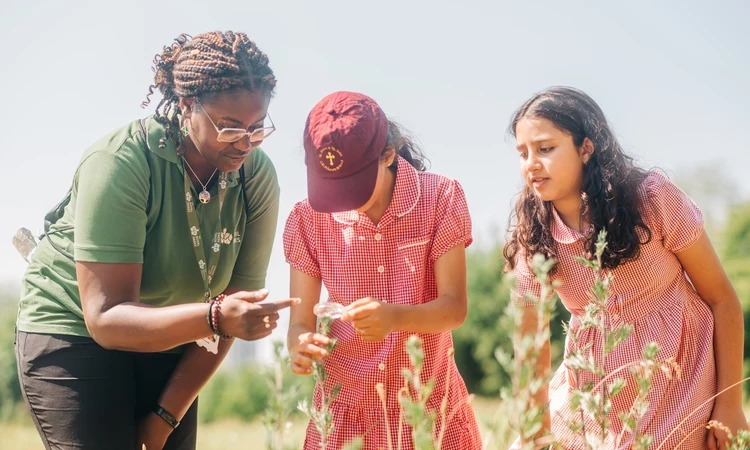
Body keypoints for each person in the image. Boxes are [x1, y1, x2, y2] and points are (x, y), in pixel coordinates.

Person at [14, 31, 298, 450]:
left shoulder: (255, 176)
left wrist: (165, 418)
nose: (245, 143)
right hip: (76, 329)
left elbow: (232, 311)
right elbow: (107, 319)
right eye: (230, 127)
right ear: (186, 106)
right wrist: (217, 317)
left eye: (257, 128)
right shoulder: (119, 162)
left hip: (174, 332)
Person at [506, 86, 746, 449]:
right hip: (593, 382)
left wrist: (730, 403)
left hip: (681, 373)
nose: (531, 164)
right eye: (523, 153)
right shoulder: (533, 234)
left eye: (546, 148)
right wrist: (535, 432)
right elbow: (530, 345)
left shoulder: (651, 197)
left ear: (586, 148)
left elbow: (722, 299)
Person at [284, 91, 482, 449]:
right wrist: (300, 346)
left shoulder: (440, 198)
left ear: (387, 155)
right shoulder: (307, 220)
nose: (342, 200)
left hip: (428, 409)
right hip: (346, 414)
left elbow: (454, 308)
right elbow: (300, 323)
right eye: (332, 187)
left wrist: (395, 317)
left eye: (352, 185)